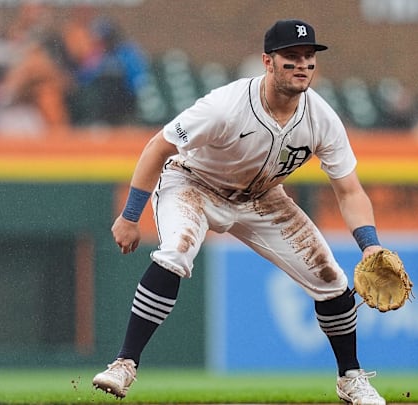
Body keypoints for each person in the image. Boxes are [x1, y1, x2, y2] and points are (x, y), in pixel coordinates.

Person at [92, 19, 388, 405]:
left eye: (308, 58)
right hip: (194, 183)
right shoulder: (225, 106)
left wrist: (370, 244)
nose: (302, 65)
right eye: (291, 58)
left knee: (330, 280)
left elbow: (349, 191)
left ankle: (350, 379)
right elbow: (157, 147)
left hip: (262, 197)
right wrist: (131, 216)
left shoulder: (321, 118)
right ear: (268, 62)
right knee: (176, 254)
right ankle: (124, 364)